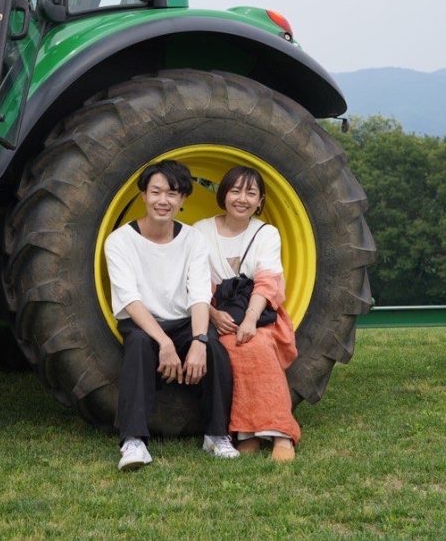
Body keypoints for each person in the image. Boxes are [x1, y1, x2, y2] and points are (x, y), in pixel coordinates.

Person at [104, 160, 237, 471]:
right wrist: (163, 343)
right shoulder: (120, 241)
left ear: (183, 201)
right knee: (138, 346)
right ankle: (134, 441)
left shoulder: (193, 240)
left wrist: (200, 341)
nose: (163, 201)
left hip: (185, 322)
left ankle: (217, 435)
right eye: (156, 192)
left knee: (216, 349)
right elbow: (131, 299)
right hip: (143, 322)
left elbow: (200, 295)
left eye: (172, 194)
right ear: (143, 196)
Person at [192, 165, 301, 462]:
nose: (242, 199)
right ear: (223, 193)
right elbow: (192, 281)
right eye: (236, 190)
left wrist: (250, 320)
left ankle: (280, 433)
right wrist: (213, 315)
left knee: (259, 345)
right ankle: (246, 432)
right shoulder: (200, 231)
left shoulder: (267, 233)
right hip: (215, 312)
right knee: (227, 347)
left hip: (257, 312)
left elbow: (267, 282)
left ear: (260, 200)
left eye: (251, 193)